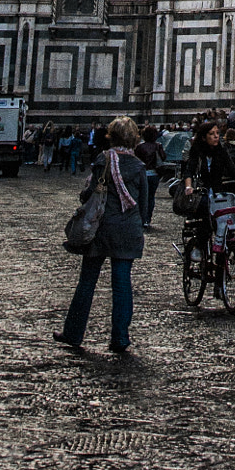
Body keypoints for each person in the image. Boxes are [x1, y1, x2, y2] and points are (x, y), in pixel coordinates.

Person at [54, 115, 146, 356]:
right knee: (122, 283)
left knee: (87, 280)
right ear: (134, 138)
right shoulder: (139, 166)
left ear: (110, 136)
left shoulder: (103, 160)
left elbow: (89, 194)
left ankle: (73, 333)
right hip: (128, 230)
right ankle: (120, 338)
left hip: (101, 229)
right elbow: (144, 204)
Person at [185, 118, 235, 283]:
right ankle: (199, 246)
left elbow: (233, 170)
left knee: (225, 228)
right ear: (203, 137)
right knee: (206, 222)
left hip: (217, 193)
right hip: (202, 192)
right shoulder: (197, 151)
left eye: (217, 134)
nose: (216, 137)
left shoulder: (221, 151)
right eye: (212, 134)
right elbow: (189, 171)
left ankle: (220, 278)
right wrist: (188, 187)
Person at [134, 125, 162, 228]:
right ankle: (148, 219)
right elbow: (163, 157)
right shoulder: (158, 145)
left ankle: (142, 217)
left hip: (143, 174)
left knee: (141, 197)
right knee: (151, 197)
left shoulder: (140, 147)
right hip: (154, 174)